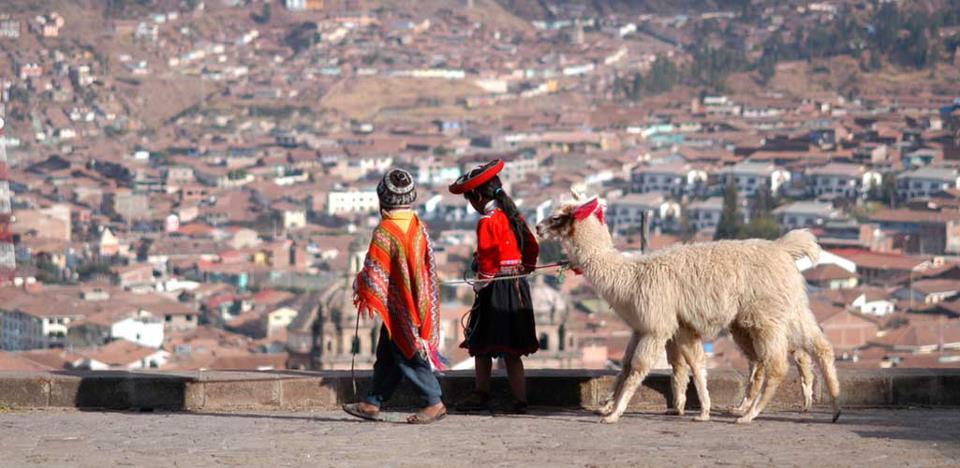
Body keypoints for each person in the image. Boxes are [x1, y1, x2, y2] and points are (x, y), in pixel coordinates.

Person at [343, 168, 446, 424]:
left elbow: (375, 273)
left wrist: (361, 283)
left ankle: (433, 401)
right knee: (388, 353)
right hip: (417, 301)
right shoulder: (417, 226)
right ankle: (371, 402)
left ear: (382, 200)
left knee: (407, 353)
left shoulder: (385, 231)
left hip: (398, 305)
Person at [449, 159, 540, 414]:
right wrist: (527, 267)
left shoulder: (488, 222)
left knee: (481, 343)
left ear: (477, 196)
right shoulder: (514, 216)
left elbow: (488, 264)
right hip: (517, 288)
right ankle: (520, 400)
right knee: (512, 350)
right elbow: (532, 246)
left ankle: (482, 393)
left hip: (496, 291)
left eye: (470, 200)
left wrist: (479, 284)